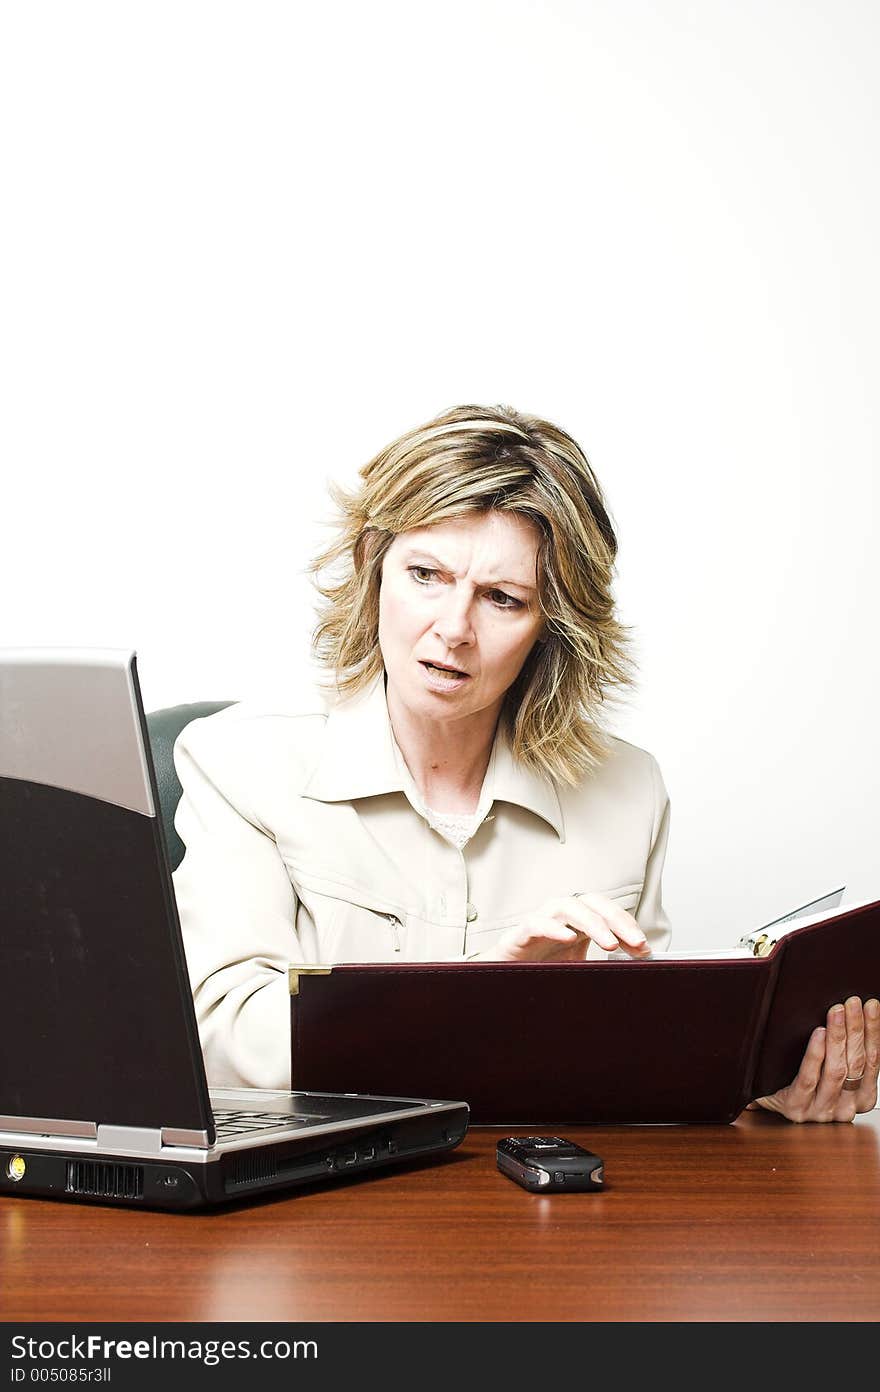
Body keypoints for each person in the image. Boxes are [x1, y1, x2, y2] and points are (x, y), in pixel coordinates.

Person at [171, 403, 879, 1121]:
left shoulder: (629, 792)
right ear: (371, 566)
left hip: (547, 1214)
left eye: (503, 599)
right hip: (325, 1203)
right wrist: (486, 994)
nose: (453, 629)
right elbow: (218, 1043)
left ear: (552, 628)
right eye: (425, 575)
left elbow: (641, 1081)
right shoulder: (239, 760)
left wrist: (764, 1092)